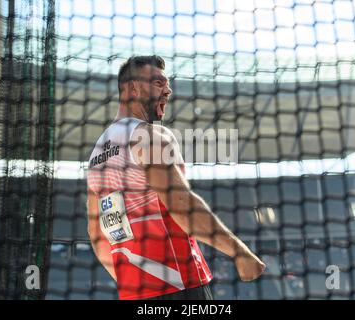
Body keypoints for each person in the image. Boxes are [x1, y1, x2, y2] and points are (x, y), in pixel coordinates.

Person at [87, 55, 265, 300]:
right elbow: (181, 205)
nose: (168, 91)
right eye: (159, 83)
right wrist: (239, 252)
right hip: (180, 285)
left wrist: (135, 281)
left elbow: (97, 235)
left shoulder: (96, 155)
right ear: (134, 88)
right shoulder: (149, 135)